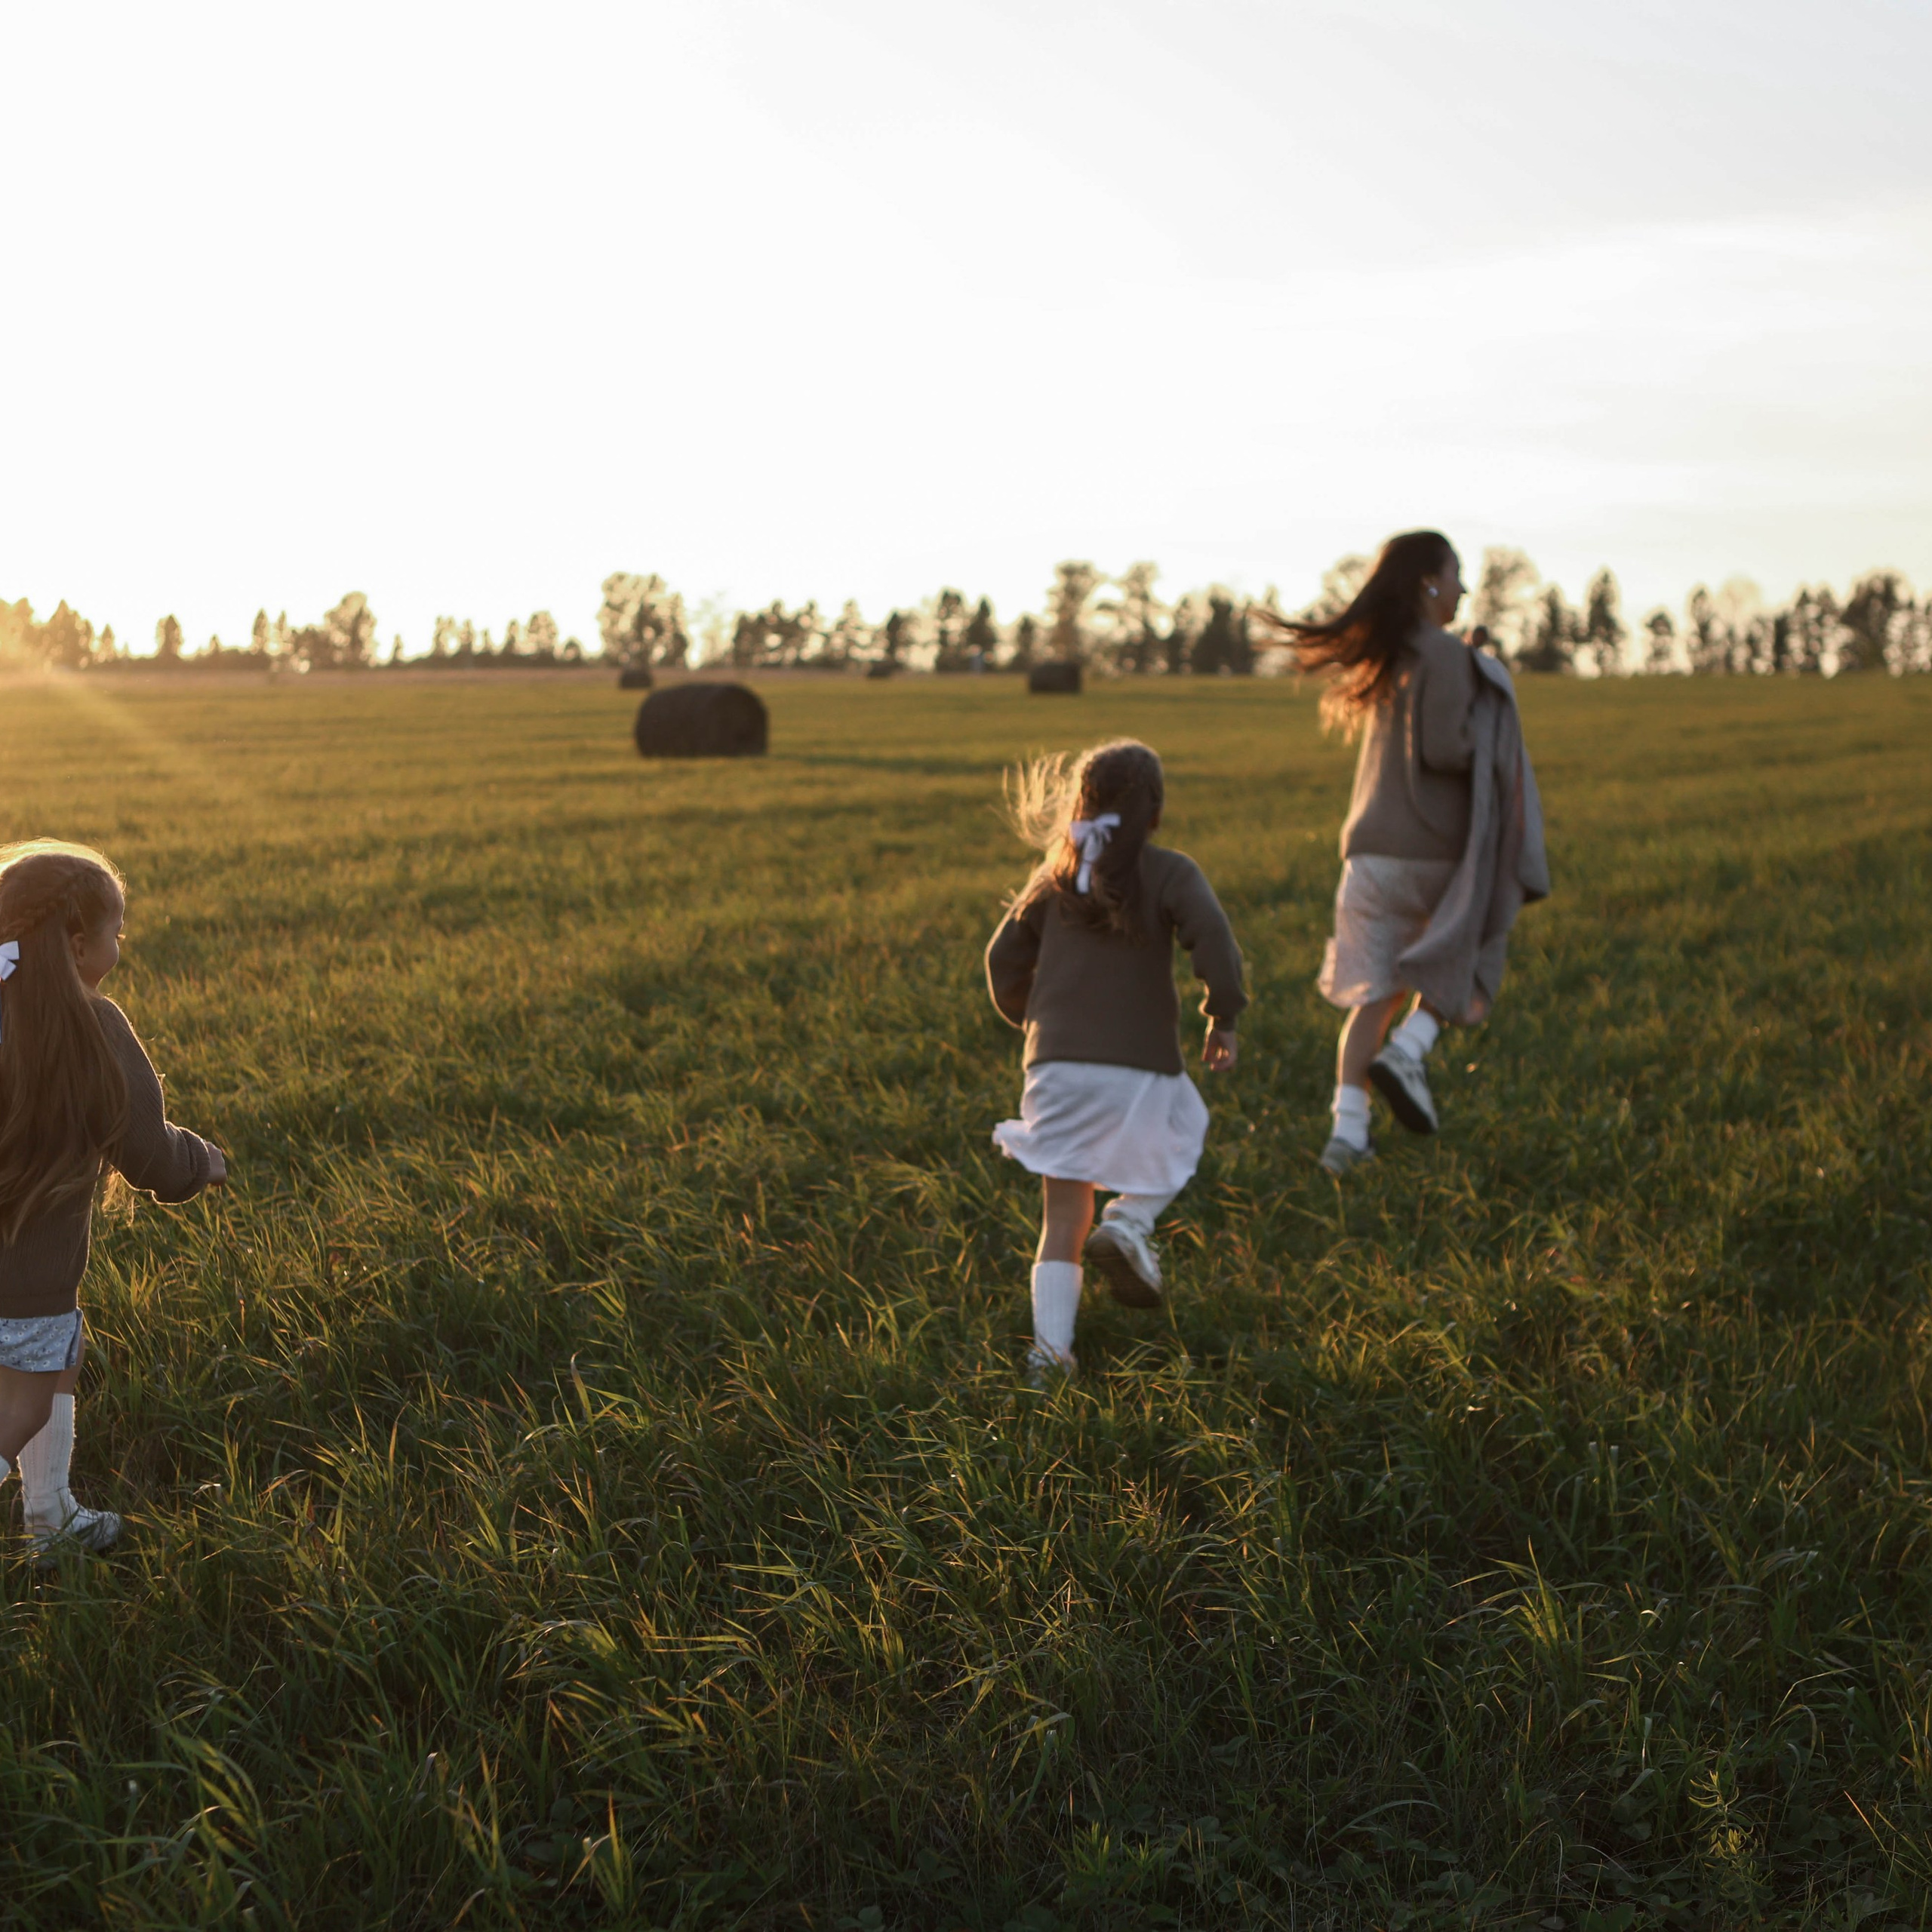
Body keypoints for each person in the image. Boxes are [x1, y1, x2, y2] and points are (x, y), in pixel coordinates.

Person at [1258, 531, 1547, 1175]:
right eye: (1456, 576)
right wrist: (1491, 720)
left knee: (1373, 997)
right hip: (1430, 853)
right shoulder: (1443, 655)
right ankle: (1411, 1050)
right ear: (1428, 582)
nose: (1463, 589)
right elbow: (1447, 748)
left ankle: (1347, 1134)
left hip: (1369, 859)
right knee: (1471, 945)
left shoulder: (1384, 655)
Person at [984, 740, 1246, 1383]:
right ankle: (1129, 1221)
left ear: (1081, 804)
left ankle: (1050, 1355)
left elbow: (1001, 961)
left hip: (1054, 1067)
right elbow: (1214, 939)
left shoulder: (1053, 878)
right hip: (1140, 1060)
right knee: (1187, 1128)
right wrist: (1224, 1014)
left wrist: (1038, 1022)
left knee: (1063, 1216)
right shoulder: (1170, 871)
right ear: (1154, 814)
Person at [0, 841, 226, 1560]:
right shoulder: (95, 1029)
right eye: (115, 934)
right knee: (23, 1403)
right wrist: (205, 1163)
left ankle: (50, 1514)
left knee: (62, 1355)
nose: (118, 948)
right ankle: (45, 1516)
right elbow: (148, 1151)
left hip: (34, 1294)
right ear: (76, 944)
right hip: (28, 1282)